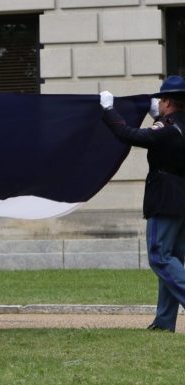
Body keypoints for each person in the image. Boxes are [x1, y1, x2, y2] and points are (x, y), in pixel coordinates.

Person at [100, 75, 185, 332]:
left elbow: (129, 135)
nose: (158, 104)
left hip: (165, 199)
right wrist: (157, 118)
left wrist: (108, 110)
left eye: (160, 100)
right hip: (180, 199)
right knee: (172, 261)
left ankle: (164, 321)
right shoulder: (173, 125)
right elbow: (166, 137)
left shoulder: (167, 129)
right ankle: (163, 322)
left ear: (168, 101)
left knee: (159, 257)